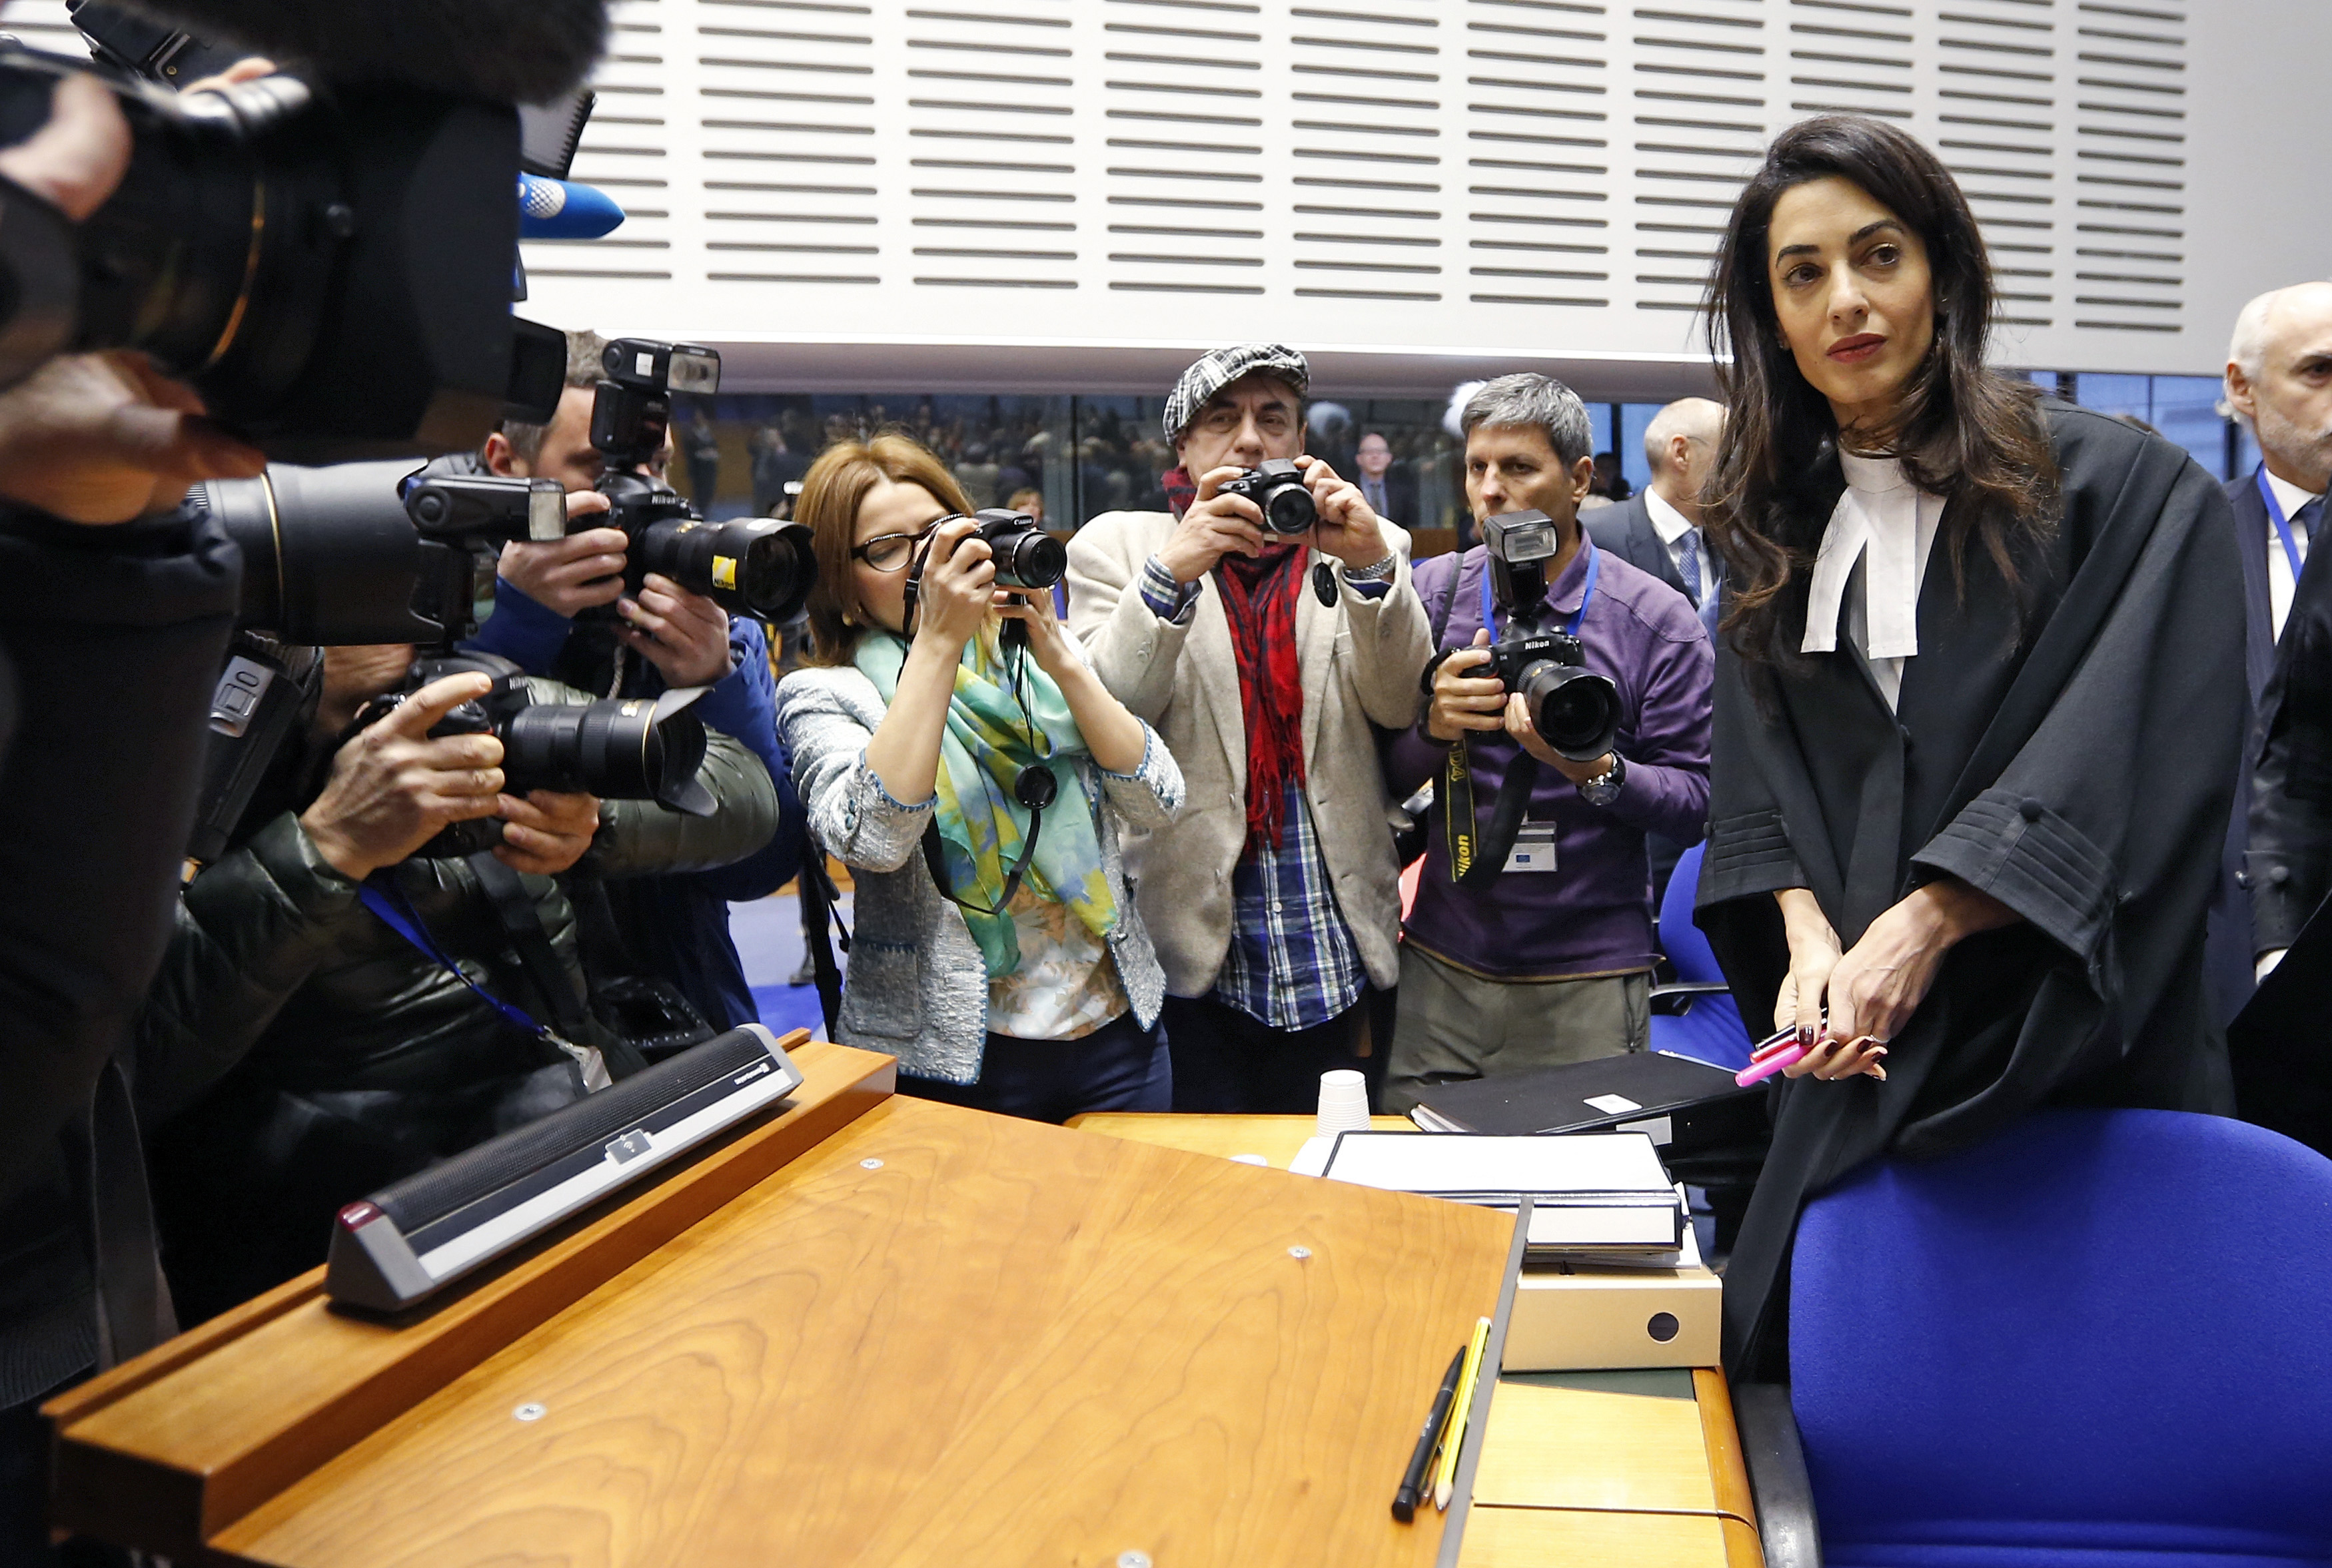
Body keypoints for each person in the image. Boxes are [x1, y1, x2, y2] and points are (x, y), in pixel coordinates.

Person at [1692, 115, 2244, 1380]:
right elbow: (1758, 763)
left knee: (2090, 1399)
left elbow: (2135, 750)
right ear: (1771, 316)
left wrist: (1927, 924)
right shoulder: (1774, 526)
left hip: (2053, 1033)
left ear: (1941, 269)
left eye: (1879, 255)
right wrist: (1808, 934)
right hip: (1857, 1037)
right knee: (1829, 1386)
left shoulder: (2123, 490)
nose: (1847, 299)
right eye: (1803, 272)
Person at [140, 641, 780, 1324]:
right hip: (352, 1213)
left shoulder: (472, 690)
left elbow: (741, 788)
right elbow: (135, 1062)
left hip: (578, 1123)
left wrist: (595, 825)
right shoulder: (178, 749)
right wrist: (328, 847)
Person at [1067, 344, 1431, 1112]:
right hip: (1188, 945)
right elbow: (1111, 711)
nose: (1249, 440)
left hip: (1334, 942)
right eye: (1221, 420)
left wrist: (1369, 569)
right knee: (1210, 1192)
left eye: (1272, 419)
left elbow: (1401, 702)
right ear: (1183, 446)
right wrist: (1175, 570)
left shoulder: (1367, 541)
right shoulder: (1121, 548)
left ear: (1299, 442)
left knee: (1335, 1181)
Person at [777, 436, 1183, 1122]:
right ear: (840, 590)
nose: (927, 564)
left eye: (940, 535)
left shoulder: (1034, 664)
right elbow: (873, 841)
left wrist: (1059, 652)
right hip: (954, 1061)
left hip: (1117, 1034)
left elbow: (1158, 799)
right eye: (887, 549)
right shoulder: (825, 694)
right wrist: (936, 642)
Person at [1383, 374, 1712, 1111]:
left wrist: (1591, 768)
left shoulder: (1652, 618)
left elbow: (1697, 803)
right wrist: (1435, 729)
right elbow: (1378, 774)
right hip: (1446, 960)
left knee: (1577, 1211)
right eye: (1476, 467)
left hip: (1589, 976)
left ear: (1579, 479)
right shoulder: (1432, 593)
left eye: (1518, 468)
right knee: (1423, 1204)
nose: (1491, 490)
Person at [471, 330, 801, 1032]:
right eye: (598, 470)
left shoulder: (715, 626)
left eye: (654, 468)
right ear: (506, 464)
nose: (640, 495)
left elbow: (757, 870)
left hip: (690, 1016)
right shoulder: (443, 604)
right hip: (511, 1028)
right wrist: (520, 622)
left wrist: (714, 677)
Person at [1355, 430, 1417, 530]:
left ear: (1389, 458)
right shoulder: (1348, 488)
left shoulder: (1401, 492)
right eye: (1369, 452)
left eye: (1380, 452)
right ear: (1359, 459)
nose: (1375, 456)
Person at [684, 406, 722, 512]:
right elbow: (689, 451)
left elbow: (715, 447)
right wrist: (702, 453)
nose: (699, 418)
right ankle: (700, 511)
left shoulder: (710, 433)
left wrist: (712, 453)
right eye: (697, 416)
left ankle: (707, 510)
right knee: (699, 493)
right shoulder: (690, 434)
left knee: (709, 492)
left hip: (710, 468)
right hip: (698, 469)